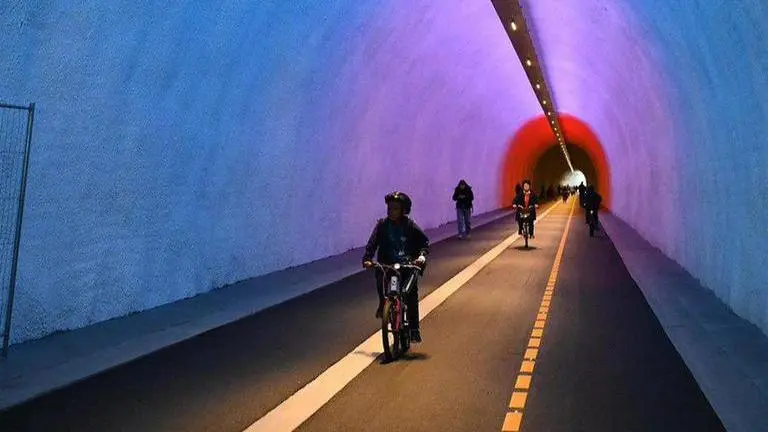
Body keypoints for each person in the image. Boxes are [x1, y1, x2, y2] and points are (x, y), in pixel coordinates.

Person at [363, 191, 429, 342]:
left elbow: (424, 243)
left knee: (410, 294)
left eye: (395, 208)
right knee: (381, 280)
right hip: (388, 265)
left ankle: (414, 329)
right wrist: (367, 258)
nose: (391, 211)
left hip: (407, 264)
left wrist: (421, 256)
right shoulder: (382, 225)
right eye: (389, 208)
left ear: (403, 210)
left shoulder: (410, 225)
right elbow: (372, 243)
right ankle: (383, 304)